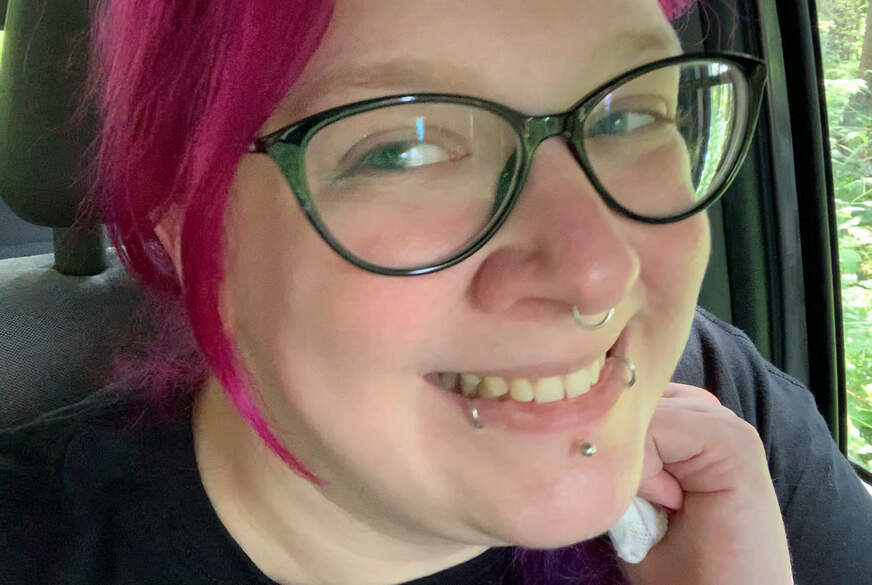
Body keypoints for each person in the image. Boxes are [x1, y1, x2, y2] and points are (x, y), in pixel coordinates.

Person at [2, 0, 871, 583]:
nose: (598, 272)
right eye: (403, 151)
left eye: (630, 114)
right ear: (189, 232)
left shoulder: (728, 433)